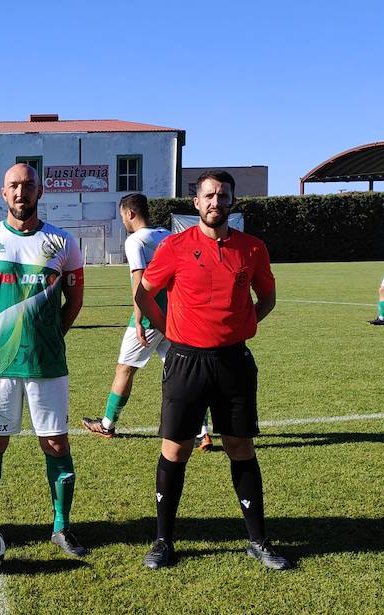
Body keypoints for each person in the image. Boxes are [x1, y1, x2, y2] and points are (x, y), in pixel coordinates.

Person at [135, 170, 290, 570]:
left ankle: (258, 541)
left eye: (223, 195)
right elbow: (145, 292)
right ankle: (163, 542)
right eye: (208, 196)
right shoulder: (174, 246)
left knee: (240, 447)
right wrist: (161, 325)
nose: (215, 202)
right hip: (185, 361)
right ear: (196, 202)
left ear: (232, 201)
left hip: (233, 362)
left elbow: (268, 297)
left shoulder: (252, 249)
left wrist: (244, 325)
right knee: (176, 449)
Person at [0, 163, 88, 558]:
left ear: (40, 191)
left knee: (54, 443)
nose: (21, 193)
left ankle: (61, 527)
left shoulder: (63, 242)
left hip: (46, 365)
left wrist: (49, 336)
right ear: (3, 193)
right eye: (14, 186)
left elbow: (75, 301)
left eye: (28, 186)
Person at [81, 193, 191, 441]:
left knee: (125, 369)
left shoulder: (135, 241)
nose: (123, 222)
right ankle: (201, 431)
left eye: (122, 216)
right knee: (182, 372)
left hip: (151, 316)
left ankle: (107, 425)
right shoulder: (168, 235)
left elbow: (139, 281)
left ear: (130, 214)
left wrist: (139, 320)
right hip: (174, 315)